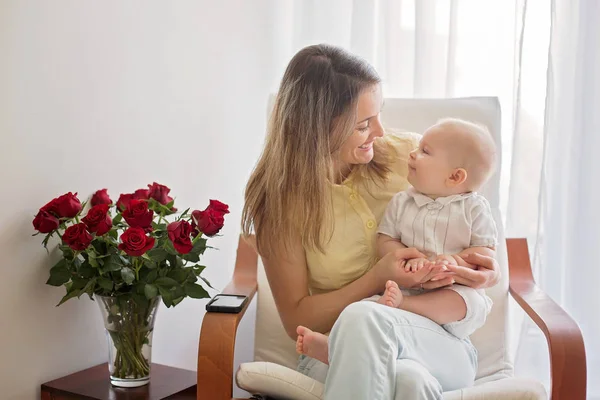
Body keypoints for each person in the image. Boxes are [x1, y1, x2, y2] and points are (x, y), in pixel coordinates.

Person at [242, 44, 500, 400]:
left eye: (378, 115)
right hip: (333, 347)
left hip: (439, 344)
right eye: (363, 125)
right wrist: (377, 278)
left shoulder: (409, 158)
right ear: (318, 129)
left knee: (363, 319)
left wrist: (481, 269)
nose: (380, 131)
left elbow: (476, 233)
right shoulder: (281, 203)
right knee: (408, 380)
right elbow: (295, 320)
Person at [295, 118, 498, 368]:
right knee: (366, 307)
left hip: (449, 290)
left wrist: (455, 262)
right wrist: (407, 258)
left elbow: (484, 251)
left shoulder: (474, 208)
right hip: (405, 288)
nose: (413, 153)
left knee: (467, 302)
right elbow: (386, 240)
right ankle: (334, 346)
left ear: (455, 176)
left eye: (424, 151)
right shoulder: (403, 202)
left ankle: (400, 311)